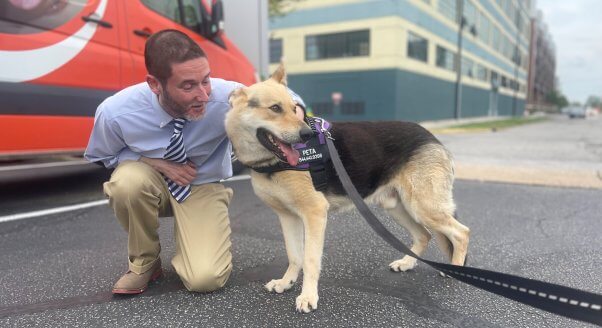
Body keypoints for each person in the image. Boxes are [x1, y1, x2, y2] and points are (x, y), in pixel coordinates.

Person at [85, 29, 305, 295]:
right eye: (188, 86)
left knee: (205, 279)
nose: (203, 94)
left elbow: (284, 94)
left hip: (201, 184)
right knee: (126, 182)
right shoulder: (116, 112)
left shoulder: (227, 96)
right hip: (149, 183)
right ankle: (145, 262)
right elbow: (101, 156)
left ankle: (196, 239)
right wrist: (158, 163)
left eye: (206, 80)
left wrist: (297, 113)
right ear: (155, 85)